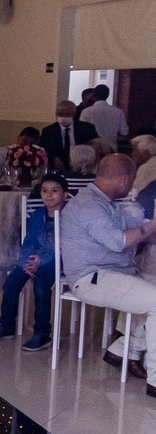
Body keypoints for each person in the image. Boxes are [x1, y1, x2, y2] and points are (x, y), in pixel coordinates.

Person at [59, 154, 156, 393]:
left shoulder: (108, 203)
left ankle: (122, 350)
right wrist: (153, 224)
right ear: (123, 179)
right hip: (91, 278)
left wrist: (150, 228)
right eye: (132, 179)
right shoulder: (89, 205)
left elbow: (138, 229)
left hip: (115, 273)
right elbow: (118, 241)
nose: (133, 184)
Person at [0, 174, 69, 351]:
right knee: (11, 281)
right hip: (35, 259)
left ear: (65, 194)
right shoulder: (37, 215)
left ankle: (42, 333)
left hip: (61, 260)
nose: (49, 195)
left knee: (40, 284)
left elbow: (66, 245)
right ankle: (7, 325)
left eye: (54, 191)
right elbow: (28, 241)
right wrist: (26, 262)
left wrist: (41, 260)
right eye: (44, 191)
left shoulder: (70, 216)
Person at [39, 100, 98, 173]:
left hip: (83, 167)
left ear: (74, 114)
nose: (64, 117)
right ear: (56, 114)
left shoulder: (87, 128)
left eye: (67, 115)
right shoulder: (48, 131)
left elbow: (95, 147)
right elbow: (42, 150)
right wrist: (53, 158)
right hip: (57, 169)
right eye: (61, 114)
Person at [80, 84, 129, 152]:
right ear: (107, 95)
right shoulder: (118, 112)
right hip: (111, 149)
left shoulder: (86, 112)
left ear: (94, 96)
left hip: (92, 150)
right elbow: (124, 133)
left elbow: (82, 132)